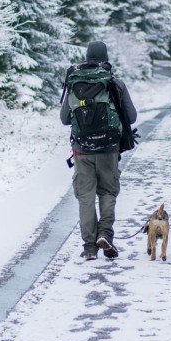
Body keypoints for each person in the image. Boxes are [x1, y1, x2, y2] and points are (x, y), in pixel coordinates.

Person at [60, 40, 138, 261]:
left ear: (86, 57)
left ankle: (89, 247)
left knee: (85, 197)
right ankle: (105, 234)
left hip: (81, 150)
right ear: (105, 58)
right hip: (109, 148)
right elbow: (132, 117)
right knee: (107, 192)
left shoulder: (74, 81)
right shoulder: (114, 83)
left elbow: (64, 119)